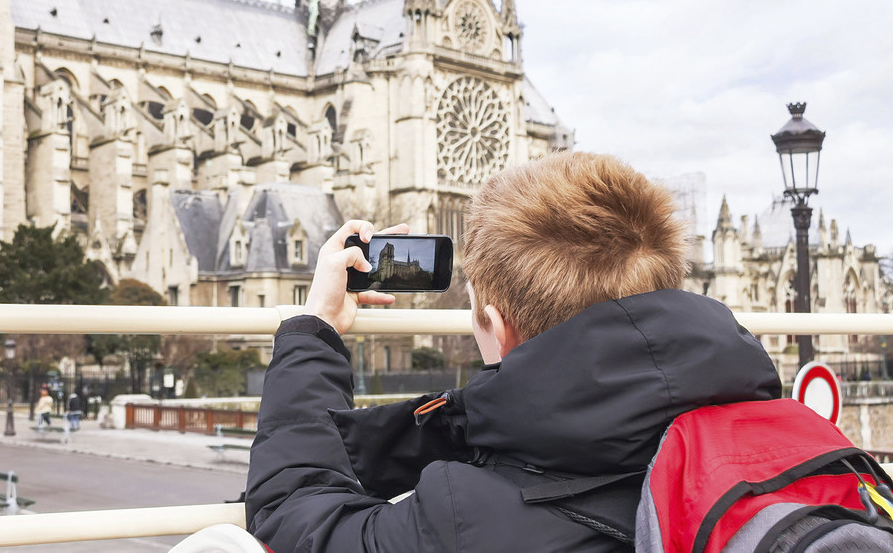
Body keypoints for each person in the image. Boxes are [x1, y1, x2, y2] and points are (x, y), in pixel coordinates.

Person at [244, 152, 781, 552]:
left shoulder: (464, 519)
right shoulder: (776, 437)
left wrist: (314, 328)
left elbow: (296, 513)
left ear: (496, 327)